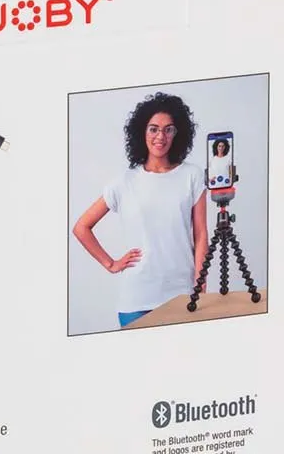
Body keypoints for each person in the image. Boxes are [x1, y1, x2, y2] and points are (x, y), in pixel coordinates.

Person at [72, 92, 208, 327]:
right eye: (153, 129)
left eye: (168, 129)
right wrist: (111, 264)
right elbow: (81, 227)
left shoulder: (192, 176)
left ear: (178, 133)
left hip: (183, 295)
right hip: (137, 299)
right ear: (141, 132)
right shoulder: (124, 182)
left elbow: (201, 234)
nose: (160, 136)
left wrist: (200, 282)